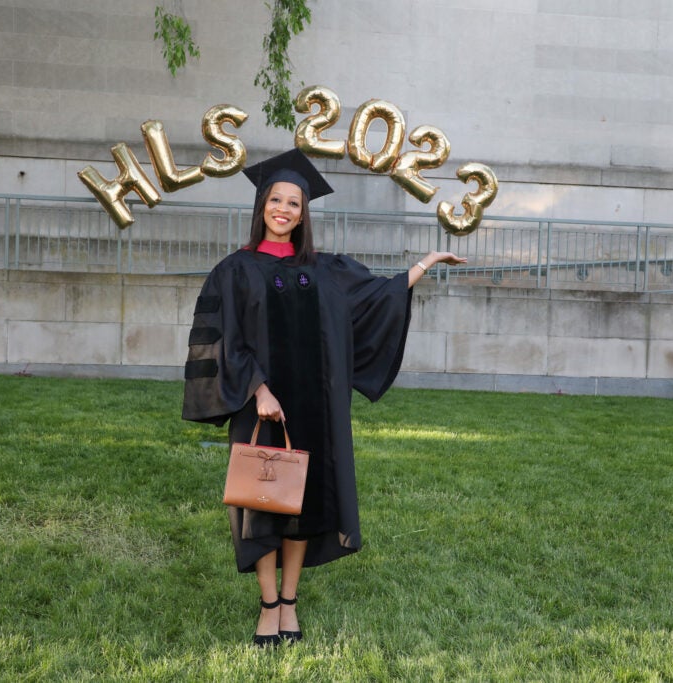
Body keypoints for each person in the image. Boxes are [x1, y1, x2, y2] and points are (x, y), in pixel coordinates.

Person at [181, 149, 465, 646]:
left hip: (314, 409)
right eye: (276, 200)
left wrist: (423, 264)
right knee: (262, 508)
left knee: (302, 508)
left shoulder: (324, 270)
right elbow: (223, 340)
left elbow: (375, 297)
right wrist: (258, 389)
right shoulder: (235, 270)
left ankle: (290, 604)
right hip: (261, 408)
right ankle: (268, 606)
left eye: (294, 203)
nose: (284, 210)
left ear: (303, 213)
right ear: (261, 206)